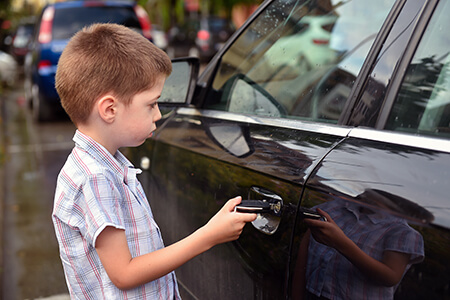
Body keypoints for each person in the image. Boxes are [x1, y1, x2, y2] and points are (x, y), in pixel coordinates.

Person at [52, 23, 257, 299]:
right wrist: (208, 235)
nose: (158, 115)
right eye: (151, 104)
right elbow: (124, 274)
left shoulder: (104, 165)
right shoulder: (94, 177)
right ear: (109, 109)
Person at [293, 199, 424, 300]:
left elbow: (391, 276)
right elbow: (305, 250)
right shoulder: (334, 208)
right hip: (312, 293)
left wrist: (341, 243)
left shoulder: (401, 232)